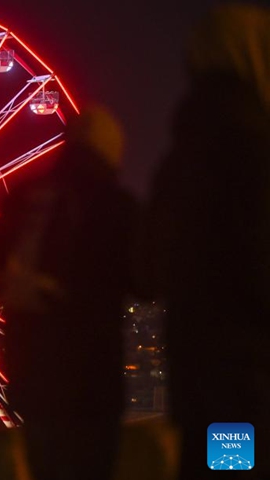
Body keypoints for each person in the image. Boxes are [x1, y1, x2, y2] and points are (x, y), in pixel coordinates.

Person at [145, 4, 269, 479]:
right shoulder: (251, 148)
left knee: (217, 468)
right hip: (247, 378)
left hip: (199, 377)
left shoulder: (177, 161)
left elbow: (148, 267)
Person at [0, 104, 137, 480]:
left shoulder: (22, 199)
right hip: (91, 379)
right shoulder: (112, 203)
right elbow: (147, 279)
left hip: (33, 376)